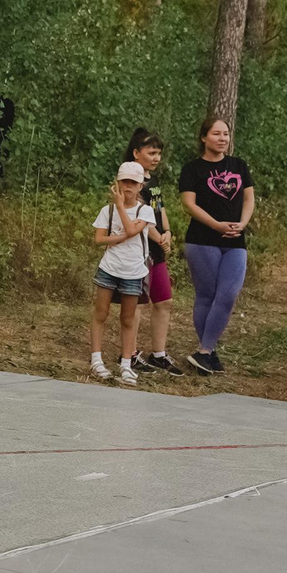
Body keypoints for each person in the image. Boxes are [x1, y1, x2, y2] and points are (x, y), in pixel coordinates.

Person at [178, 117, 255, 373]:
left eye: (226, 134)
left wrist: (242, 224)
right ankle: (207, 353)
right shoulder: (192, 169)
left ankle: (204, 352)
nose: (222, 138)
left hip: (235, 241)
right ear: (203, 137)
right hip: (202, 240)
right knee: (207, 295)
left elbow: (248, 200)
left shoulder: (239, 166)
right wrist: (216, 225)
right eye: (216, 134)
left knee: (228, 295)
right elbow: (189, 204)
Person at [91, 161, 171, 387]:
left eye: (133, 183)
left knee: (127, 318)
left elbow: (131, 230)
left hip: (133, 271)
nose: (128, 187)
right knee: (101, 312)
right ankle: (96, 359)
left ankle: (126, 363)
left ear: (140, 186)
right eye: (124, 181)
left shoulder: (144, 211)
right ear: (117, 183)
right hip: (109, 268)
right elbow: (99, 239)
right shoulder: (106, 211)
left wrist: (121, 211)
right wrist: (117, 237)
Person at [126, 128, 179, 371]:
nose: (157, 157)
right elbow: (141, 218)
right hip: (140, 250)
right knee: (138, 303)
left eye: (159, 153)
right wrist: (159, 238)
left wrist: (167, 232)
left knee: (164, 301)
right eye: (152, 152)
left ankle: (158, 353)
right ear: (136, 153)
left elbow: (160, 209)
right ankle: (130, 353)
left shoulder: (153, 181)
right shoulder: (131, 181)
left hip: (157, 251)